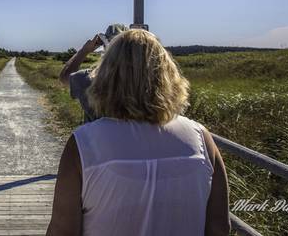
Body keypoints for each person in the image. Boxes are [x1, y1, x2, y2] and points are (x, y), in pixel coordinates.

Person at [47, 29, 230, 236]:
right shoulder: (201, 139)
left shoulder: (82, 144)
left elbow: (62, 230)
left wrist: (86, 49)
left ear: (105, 74)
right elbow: (219, 227)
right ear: (167, 73)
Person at [59, 24, 128, 122]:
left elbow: (64, 77)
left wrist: (84, 51)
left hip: (95, 136)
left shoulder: (89, 80)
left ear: (105, 45)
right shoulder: (146, 82)